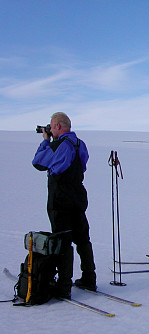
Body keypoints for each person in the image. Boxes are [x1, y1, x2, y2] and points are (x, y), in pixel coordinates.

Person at [32, 112, 97, 297]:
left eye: (52, 127)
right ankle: (89, 278)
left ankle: (63, 286)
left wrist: (46, 141)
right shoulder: (79, 144)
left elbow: (37, 162)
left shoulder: (58, 144)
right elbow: (82, 165)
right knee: (83, 237)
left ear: (58, 126)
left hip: (60, 196)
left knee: (62, 240)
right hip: (78, 194)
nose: (50, 130)